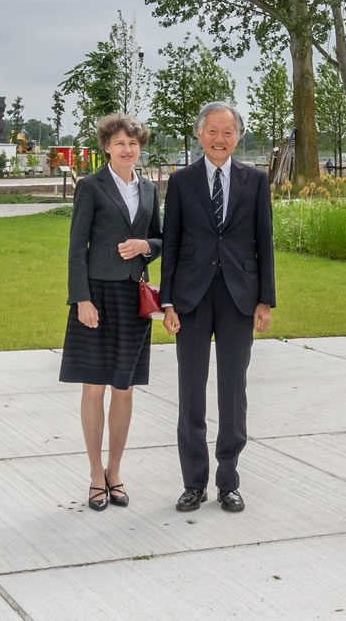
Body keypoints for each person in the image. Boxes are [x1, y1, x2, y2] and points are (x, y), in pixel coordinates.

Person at [161, 102, 275, 513]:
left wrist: (265, 300)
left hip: (238, 298)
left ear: (238, 137)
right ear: (199, 134)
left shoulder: (255, 181)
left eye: (228, 132)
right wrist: (167, 301)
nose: (220, 139)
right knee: (191, 391)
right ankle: (194, 482)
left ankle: (228, 480)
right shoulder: (182, 182)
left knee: (233, 391)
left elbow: (265, 243)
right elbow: (171, 244)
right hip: (190, 299)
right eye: (212, 131)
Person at [60, 113, 162, 511]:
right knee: (94, 387)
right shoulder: (90, 186)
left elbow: (162, 237)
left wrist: (145, 247)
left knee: (124, 388)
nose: (127, 149)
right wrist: (81, 299)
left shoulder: (150, 188)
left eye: (133, 143)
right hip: (96, 298)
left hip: (133, 297)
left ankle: (115, 472)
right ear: (106, 147)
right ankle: (93, 474)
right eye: (120, 143)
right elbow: (76, 247)